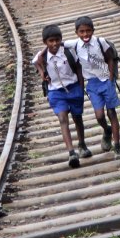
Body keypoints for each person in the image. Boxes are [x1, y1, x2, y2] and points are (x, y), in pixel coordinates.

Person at [33, 24, 91, 169]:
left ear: (61, 39)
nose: (54, 44)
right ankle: (71, 152)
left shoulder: (68, 52)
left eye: (57, 40)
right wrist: (42, 74)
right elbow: (37, 64)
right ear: (45, 42)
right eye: (51, 41)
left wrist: (81, 86)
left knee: (78, 118)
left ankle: (82, 145)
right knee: (62, 118)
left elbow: (78, 68)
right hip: (56, 92)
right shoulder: (41, 56)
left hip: (74, 88)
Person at [65, 15, 120, 157]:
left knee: (111, 113)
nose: (85, 34)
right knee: (99, 116)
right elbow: (56, 44)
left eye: (88, 31)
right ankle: (107, 130)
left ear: (93, 30)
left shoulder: (100, 42)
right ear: (77, 33)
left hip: (105, 81)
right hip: (92, 83)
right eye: (82, 32)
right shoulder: (74, 44)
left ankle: (117, 147)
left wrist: (110, 77)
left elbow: (110, 57)